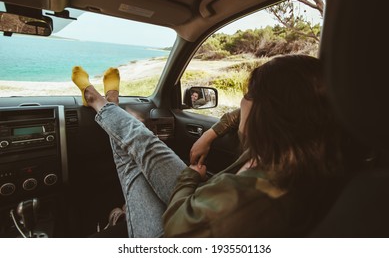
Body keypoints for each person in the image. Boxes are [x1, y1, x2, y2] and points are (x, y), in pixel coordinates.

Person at [72, 54, 354, 237]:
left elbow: (177, 224)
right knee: (142, 142)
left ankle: (102, 103)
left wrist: (190, 178)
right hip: (204, 203)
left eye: (247, 95)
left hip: (176, 232)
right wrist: (210, 135)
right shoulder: (295, 151)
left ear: (268, 112)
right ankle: (109, 105)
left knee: (133, 161)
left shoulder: (245, 199)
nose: (241, 103)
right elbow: (234, 116)